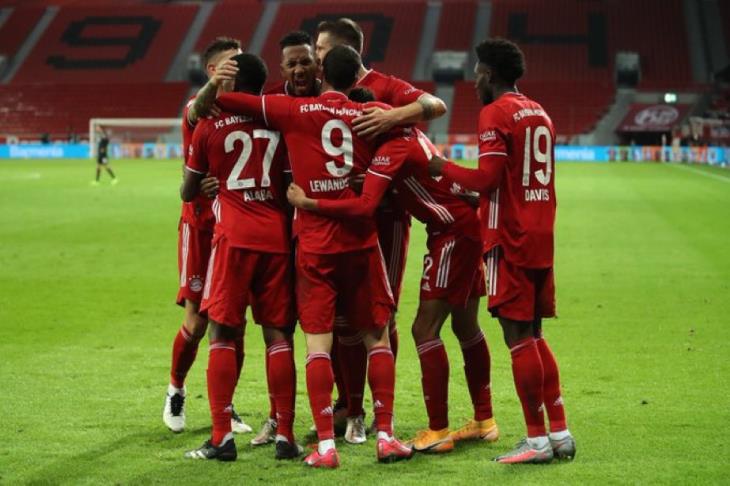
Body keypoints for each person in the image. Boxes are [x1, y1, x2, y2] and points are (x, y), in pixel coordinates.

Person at [213, 46, 413, 468]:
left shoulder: (293, 110)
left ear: (322, 72)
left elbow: (229, 101)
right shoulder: (370, 113)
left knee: (317, 344)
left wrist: (218, 80)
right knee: (376, 337)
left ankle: (325, 447)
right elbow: (411, 127)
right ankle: (385, 436)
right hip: (361, 242)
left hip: (315, 245)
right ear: (355, 78)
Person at [287, 123, 499, 453]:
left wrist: (309, 202)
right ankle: (485, 421)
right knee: (466, 326)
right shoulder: (414, 136)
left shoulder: (393, 147)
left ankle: (438, 430)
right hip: (464, 224)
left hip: (451, 233)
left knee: (424, 329)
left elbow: (364, 205)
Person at [428, 38, 576, 464]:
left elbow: (487, 179)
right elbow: (509, 180)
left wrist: (442, 168)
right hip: (540, 233)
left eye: (477, 73)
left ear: (490, 74)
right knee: (535, 334)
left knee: (517, 338)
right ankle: (560, 432)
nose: (474, 81)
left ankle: (536, 441)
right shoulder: (539, 111)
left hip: (508, 237)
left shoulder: (495, 112)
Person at [314, 18, 448, 443]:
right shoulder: (322, 92)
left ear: (346, 49)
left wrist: (392, 115)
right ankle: (347, 403)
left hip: (384, 219)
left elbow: (435, 104)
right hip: (335, 219)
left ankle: (377, 410)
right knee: (338, 318)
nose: (316, 57)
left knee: (379, 314)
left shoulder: (384, 86)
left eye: (321, 50)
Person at [180, 53, 300, 462]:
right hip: (276, 239)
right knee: (278, 335)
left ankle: (221, 437)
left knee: (222, 333)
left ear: (231, 84)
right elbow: (289, 186)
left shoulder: (209, 125)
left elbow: (187, 191)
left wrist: (211, 181)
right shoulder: (279, 123)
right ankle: (285, 435)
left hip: (232, 238)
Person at [163, 37, 251, 436]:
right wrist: (213, 87)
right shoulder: (197, 108)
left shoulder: (247, 107)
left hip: (234, 227)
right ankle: (176, 389)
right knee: (197, 322)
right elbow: (197, 109)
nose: (238, 67)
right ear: (213, 70)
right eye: (231, 62)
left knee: (233, 323)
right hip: (199, 226)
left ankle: (225, 407)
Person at [248, 30, 325, 448]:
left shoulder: (332, 102)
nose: (298, 69)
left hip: (325, 233)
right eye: (291, 63)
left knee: (331, 328)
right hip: (279, 234)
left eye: (305, 61)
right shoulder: (271, 105)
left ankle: (347, 411)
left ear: (317, 64)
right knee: (278, 330)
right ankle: (278, 418)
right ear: (281, 69)